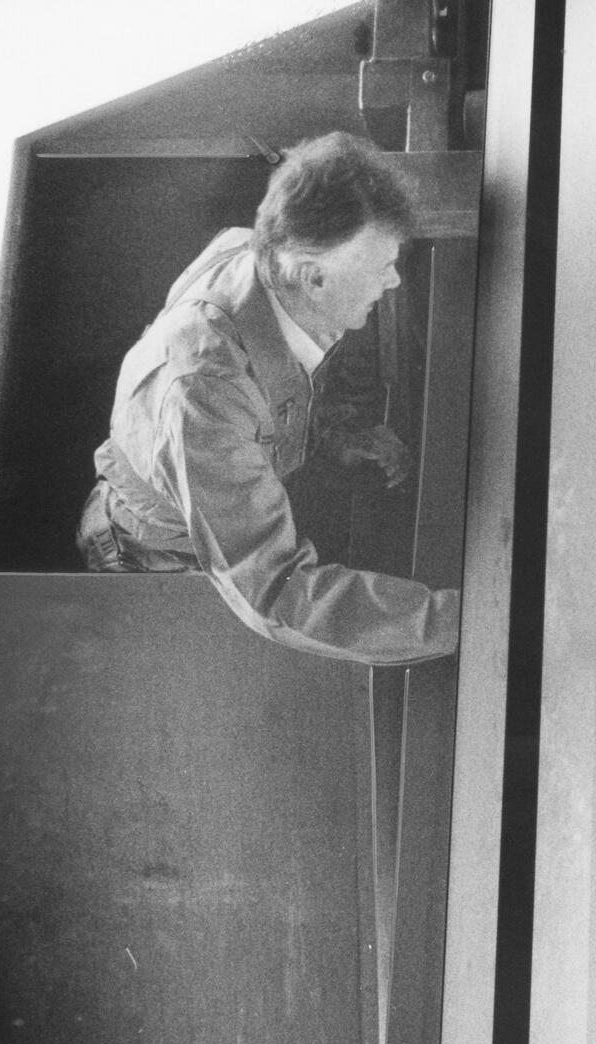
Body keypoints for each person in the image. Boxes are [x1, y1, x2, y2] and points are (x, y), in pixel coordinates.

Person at [78, 132, 460, 666]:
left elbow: (273, 377)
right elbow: (275, 591)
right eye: (380, 268)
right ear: (313, 277)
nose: (393, 281)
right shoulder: (204, 393)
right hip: (157, 555)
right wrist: (469, 623)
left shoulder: (257, 252)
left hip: (206, 474)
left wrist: (332, 435)